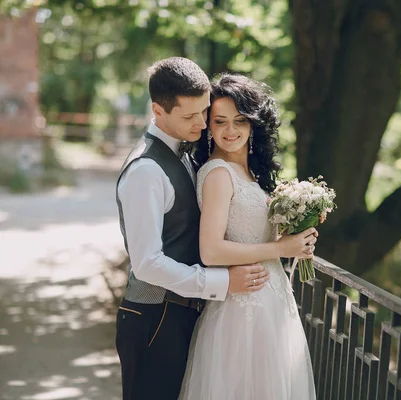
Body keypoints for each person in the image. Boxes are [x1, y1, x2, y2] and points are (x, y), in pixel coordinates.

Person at [115, 57, 272, 400]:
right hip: (154, 319)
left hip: (186, 315)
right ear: (158, 110)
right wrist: (223, 282)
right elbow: (147, 263)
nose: (202, 124)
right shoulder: (146, 170)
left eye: (204, 112)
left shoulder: (184, 154)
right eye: (189, 116)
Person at [179, 73, 318, 400]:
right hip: (243, 308)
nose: (230, 131)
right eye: (220, 121)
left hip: (271, 301)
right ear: (209, 126)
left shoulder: (251, 173)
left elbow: (249, 229)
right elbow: (210, 251)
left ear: (254, 123)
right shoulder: (217, 174)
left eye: (240, 121)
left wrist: (297, 232)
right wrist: (281, 247)